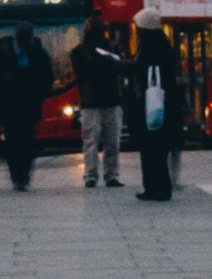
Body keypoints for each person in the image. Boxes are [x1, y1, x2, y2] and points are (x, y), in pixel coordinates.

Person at [71, 19, 128, 186]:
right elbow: (117, 69)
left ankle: (91, 176)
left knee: (91, 142)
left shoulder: (78, 52)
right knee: (112, 142)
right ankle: (111, 175)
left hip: (91, 102)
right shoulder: (112, 49)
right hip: (109, 99)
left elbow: (83, 75)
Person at [0, 30, 52, 191]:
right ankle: (17, 175)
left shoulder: (38, 53)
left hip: (28, 104)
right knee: (14, 141)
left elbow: (48, 78)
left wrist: (40, 95)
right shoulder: (5, 51)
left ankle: (23, 175)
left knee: (25, 142)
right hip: (10, 105)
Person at [133, 24, 182, 202]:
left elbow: (143, 70)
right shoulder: (162, 47)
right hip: (156, 105)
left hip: (154, 105)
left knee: (154, 148)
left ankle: (158, 187)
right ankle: (153, 187)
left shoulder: (150, 49)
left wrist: (127, 66)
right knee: (154, 149)